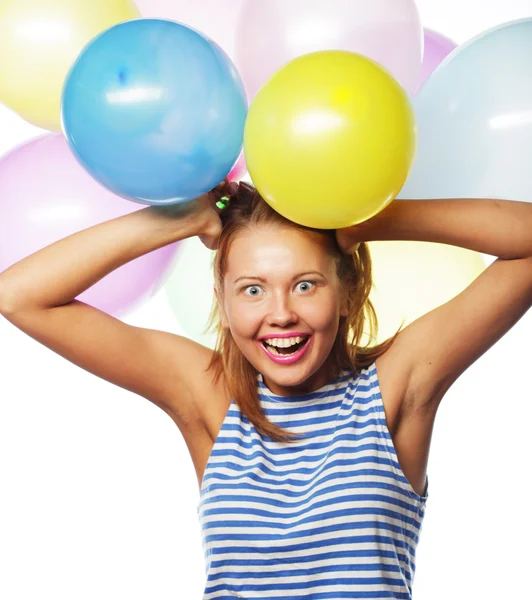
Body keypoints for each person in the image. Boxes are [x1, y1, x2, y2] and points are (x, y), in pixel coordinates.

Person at [1, 177, 531, 599]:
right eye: (252, 289)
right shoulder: (209, 398)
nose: (280, 314)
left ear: (346, 292)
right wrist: (178, 220)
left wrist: (374, 217)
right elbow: (19, 295)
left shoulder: (393, 388)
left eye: (305, 284)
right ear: (224, 301)